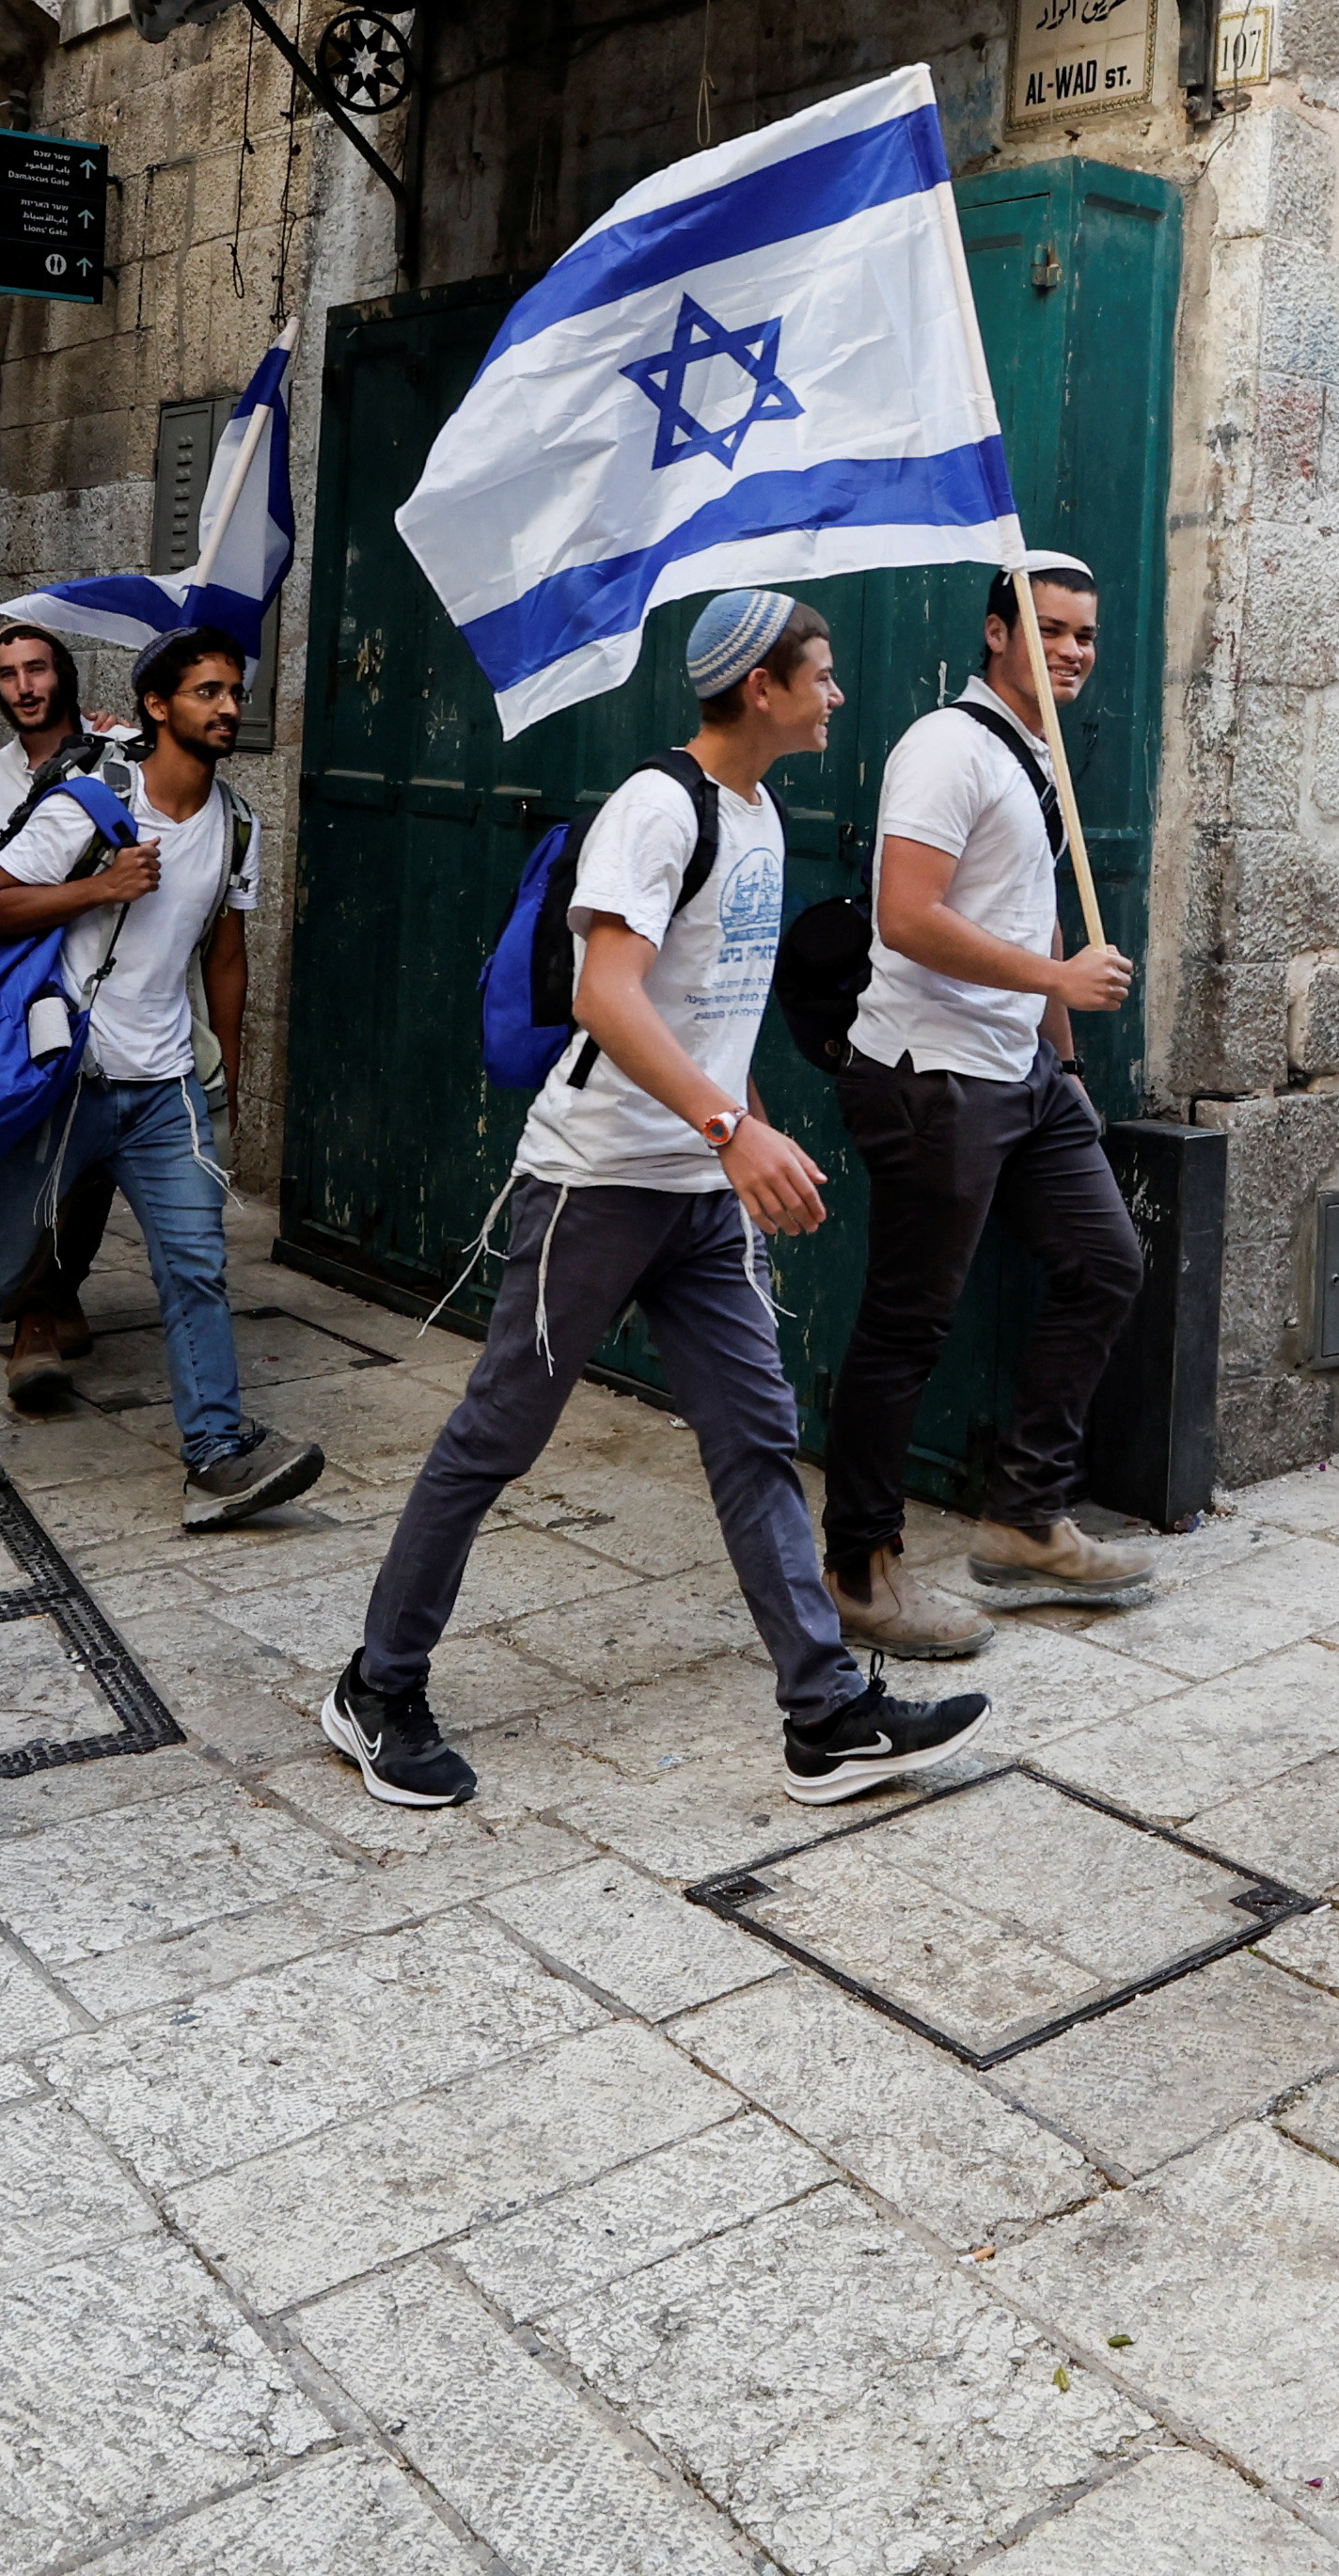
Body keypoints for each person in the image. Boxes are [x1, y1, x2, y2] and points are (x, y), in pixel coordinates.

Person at [316, 592, 989, 1812]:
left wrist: (747, 1129)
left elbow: (701, 1011)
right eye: (821, 676)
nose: (839, 695)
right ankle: (378, 1682)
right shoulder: (654, 807)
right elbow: (606, 996)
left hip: (698, 1194)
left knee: (756, 1441)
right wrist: (732, 1129)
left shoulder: (765, 813)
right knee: (494, 1439)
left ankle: (826, 1715)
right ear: (760, 689)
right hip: (595, 1185)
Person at [0, 628, 329, 1527]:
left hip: (164, 1085)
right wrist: (102, 887)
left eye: (233, 692)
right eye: (207, 692)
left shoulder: (237, 822)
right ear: (156, 705)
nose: (227, 708)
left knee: (198, 1268)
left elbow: (225, 950)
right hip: (67, 1079)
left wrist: (231, 1078)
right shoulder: (96, 801)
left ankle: (216, 1458)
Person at [819, 548, 1157, 1661]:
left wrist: (1060, 1052)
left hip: (1021, 1072)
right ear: (997, 634)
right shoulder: (945, 747)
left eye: (1086, 635)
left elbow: (1029, 906)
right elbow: (907, 915)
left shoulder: (1038, 755)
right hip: (931, 1074)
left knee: (1107, 1259)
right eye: (1049, 629)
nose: (1072, 650)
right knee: (906, 1324)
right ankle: (859, 1570)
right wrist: (1058, 985)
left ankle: (1023, 1519)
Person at [0, 623, 129, 1416]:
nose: (24, 686)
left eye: (36, 670)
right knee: (38, 1151)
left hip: (114, 987)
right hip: (30, 991)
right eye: (7, 676)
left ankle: (56, 1290)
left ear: (61, 676)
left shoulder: (118, 754)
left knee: (92, 1165)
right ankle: (34, 1315)